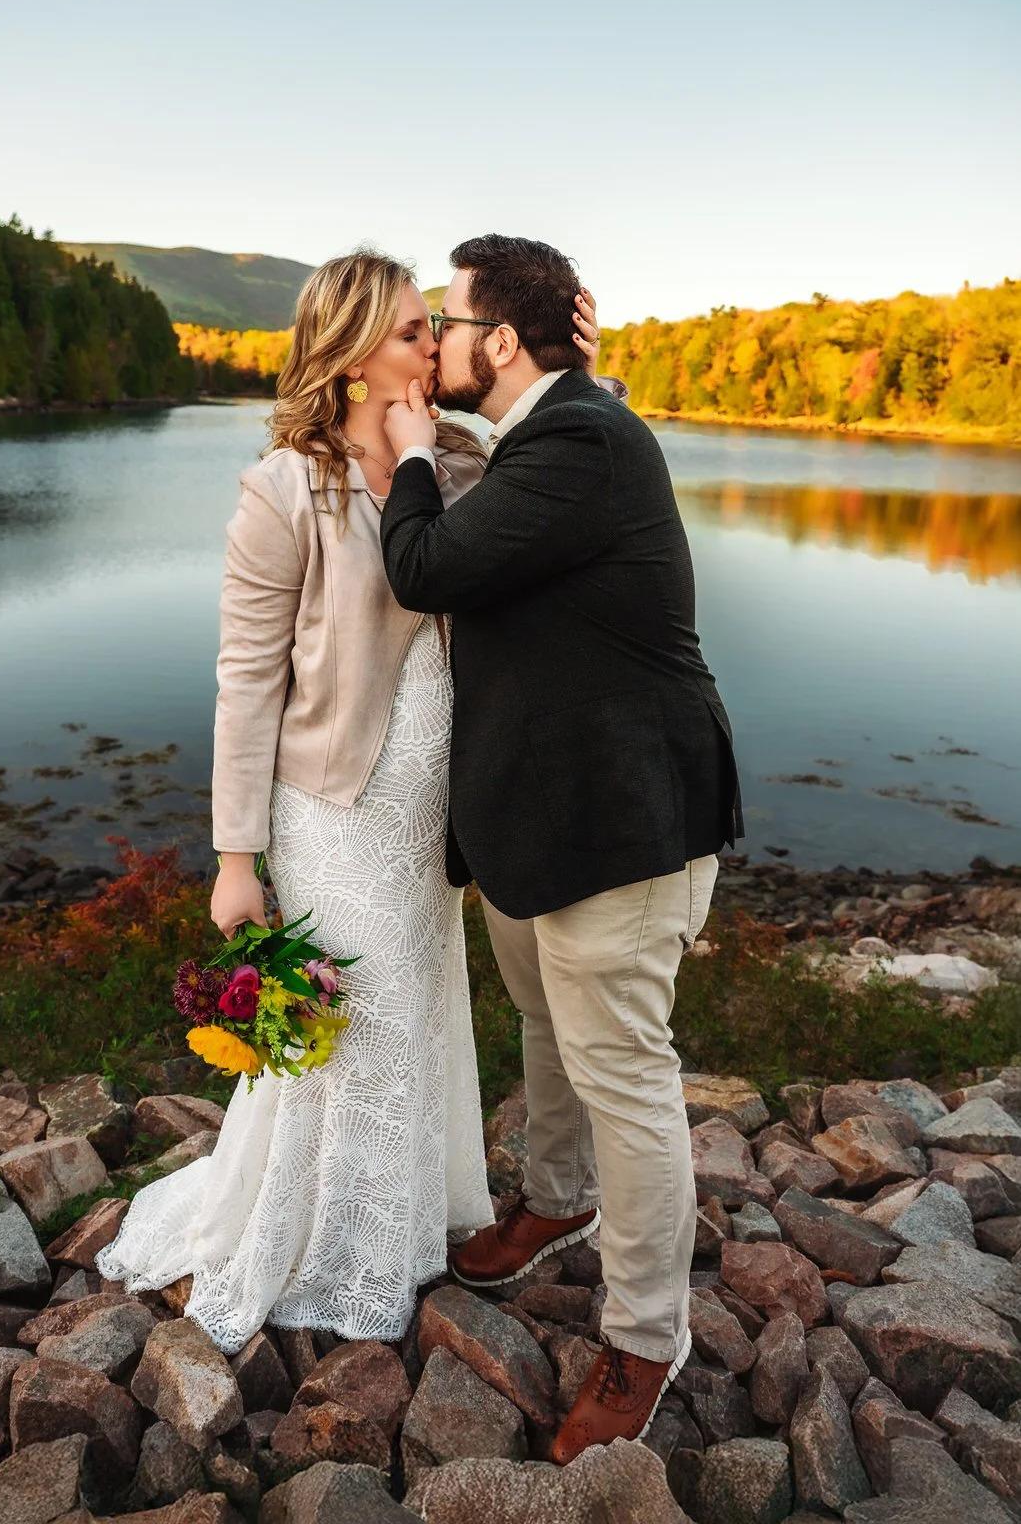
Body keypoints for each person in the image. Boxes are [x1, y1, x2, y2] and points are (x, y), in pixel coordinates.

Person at [96, 248, 603, 1352]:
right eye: (416, 329)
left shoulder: (463, 462)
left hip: (439, 805)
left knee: (419, 1005)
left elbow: (569, 469)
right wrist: (236, 857)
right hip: (332, 805)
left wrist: (580, 370)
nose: (436, 344)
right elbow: (245, 679)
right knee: (351, 1018)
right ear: (355, 354)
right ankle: (332, 1244)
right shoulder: (281, 488)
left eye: (436, 325)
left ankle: (409, 1218)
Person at [379, 233, 744, 1462]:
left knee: (626, 1073)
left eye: (451, 316)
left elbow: (427, 564)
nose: (435, 335)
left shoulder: (581, 438)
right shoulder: (563, 428)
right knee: (543, 1020)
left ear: (504, 339)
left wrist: (410, 451)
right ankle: (556, 1196)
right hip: (541, 813)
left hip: (623, 820)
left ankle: (647, 1335)